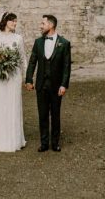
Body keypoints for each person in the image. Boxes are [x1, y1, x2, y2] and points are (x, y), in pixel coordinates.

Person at [24, 14, 71, 152]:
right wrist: (28, 79)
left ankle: (55, 143)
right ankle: (44, 143)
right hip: (41, 85)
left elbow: (66, 66)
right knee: (42, 114)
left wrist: (64, 84)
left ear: (50, 25)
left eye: (42, 23)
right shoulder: (38, 42)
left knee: (55, 115)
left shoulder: (64, 43)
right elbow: (32, 62)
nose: (40, 26)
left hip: (57, 87)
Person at [0, 11, 26, 152]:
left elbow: (23, 58)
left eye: (16, 21)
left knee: (13, 105)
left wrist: (26, 76)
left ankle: (14, 140)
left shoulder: (18, 39)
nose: (15, 23)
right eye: (12, 21)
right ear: (5, 22)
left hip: (14, 76)